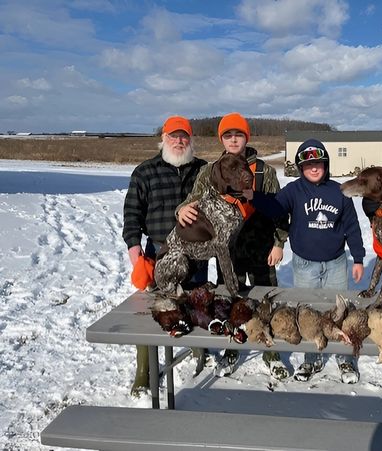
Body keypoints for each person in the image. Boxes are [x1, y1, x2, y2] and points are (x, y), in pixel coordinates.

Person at [176, 112, 290, 380]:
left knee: (266, 299)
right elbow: (192, 202)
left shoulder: (264, 171)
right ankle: (234, 346)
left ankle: (270, 351)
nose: (233, 139)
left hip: (262, 249)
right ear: (222, 139)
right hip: (228, 252)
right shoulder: (210, 171)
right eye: (228, 135)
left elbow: (280, 212)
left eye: (238, 134)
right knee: (232, 300)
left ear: (246, 137)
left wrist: (278, 243)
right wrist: (180, 211)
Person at [245, 138, 365, 384]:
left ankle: (344, 357)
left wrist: (359, 259)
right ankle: (312, 357)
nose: (314, 168)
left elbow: (352, 227)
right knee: (309, 314)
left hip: (335, 263)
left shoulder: (339, 191)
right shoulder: (294, 190)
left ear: (326, 164)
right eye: (308, 164)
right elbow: (276, 208)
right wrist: (252, 196)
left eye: (318, 163)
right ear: (301, 168)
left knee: (339, 311)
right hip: (305, 264)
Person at [122, 115, 209, 395]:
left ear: (191, 139)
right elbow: (132, 215)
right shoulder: (145, 172)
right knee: (152, 313)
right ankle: (144, 371)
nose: (179, 141)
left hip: (196, 254)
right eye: (173, 136)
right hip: (158, 253)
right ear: (163, 138)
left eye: (184, 136)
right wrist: (136, 254)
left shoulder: (204, 171)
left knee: (197, 305)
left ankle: (200, 349)